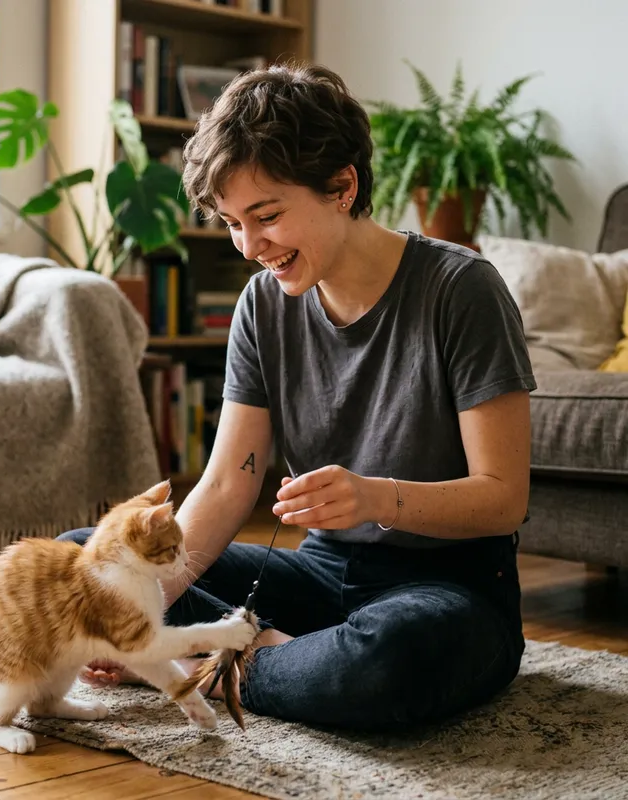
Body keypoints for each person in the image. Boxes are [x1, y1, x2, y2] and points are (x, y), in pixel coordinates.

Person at [58, 62, 535, 733]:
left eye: (268, 216)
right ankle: (258, 657)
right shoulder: (263, 306)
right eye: (230, 223)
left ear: (342, 185)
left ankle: (226, 655)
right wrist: (140, 605)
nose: (251, 247)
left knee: (375, 668)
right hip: (320, 576)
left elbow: (504, 497)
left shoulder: (462, 290)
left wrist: (375, 497)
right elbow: (226, 484)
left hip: (449, 589)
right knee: (81, 561)